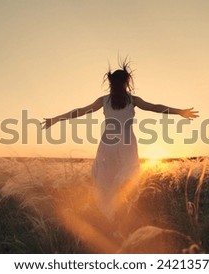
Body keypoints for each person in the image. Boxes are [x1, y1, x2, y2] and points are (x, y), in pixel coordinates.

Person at [42, 62, 198, 221]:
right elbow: (155, 107)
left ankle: (110, 215)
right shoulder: (132, 100)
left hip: (108, 142)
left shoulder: (104, 100)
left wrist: (55, 119)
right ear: (127, 82)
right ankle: (120, 214)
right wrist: (180, 112)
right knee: (127, 176)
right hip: (126, 142)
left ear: (110, 83)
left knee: (106, 178)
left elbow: (80, 111)